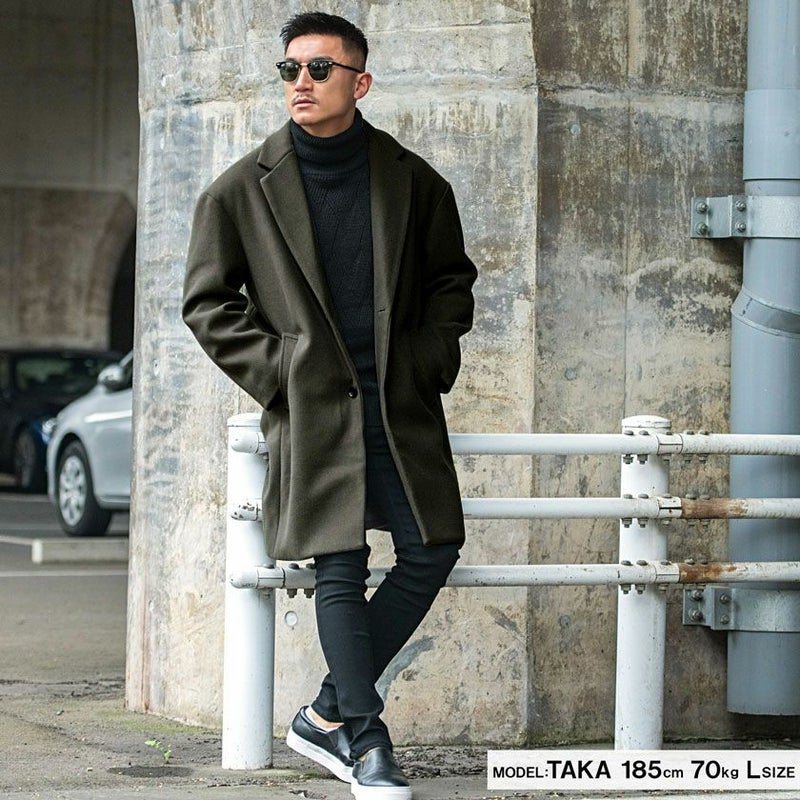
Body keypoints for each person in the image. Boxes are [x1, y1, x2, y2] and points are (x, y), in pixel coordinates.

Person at [183, 11, 477, 800]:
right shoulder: (241, 189)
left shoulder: (414, 181)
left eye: (319, 69)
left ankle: (324, 715)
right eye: (290, 70)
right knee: (339, 563)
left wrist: (427, 360)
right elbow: (208, 303)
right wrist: (281, 374)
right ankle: (366, 738)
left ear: (360, 82)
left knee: (432, 548)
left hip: (398, 408)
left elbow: (451, 284)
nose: (301, 83)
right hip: (313, 410)